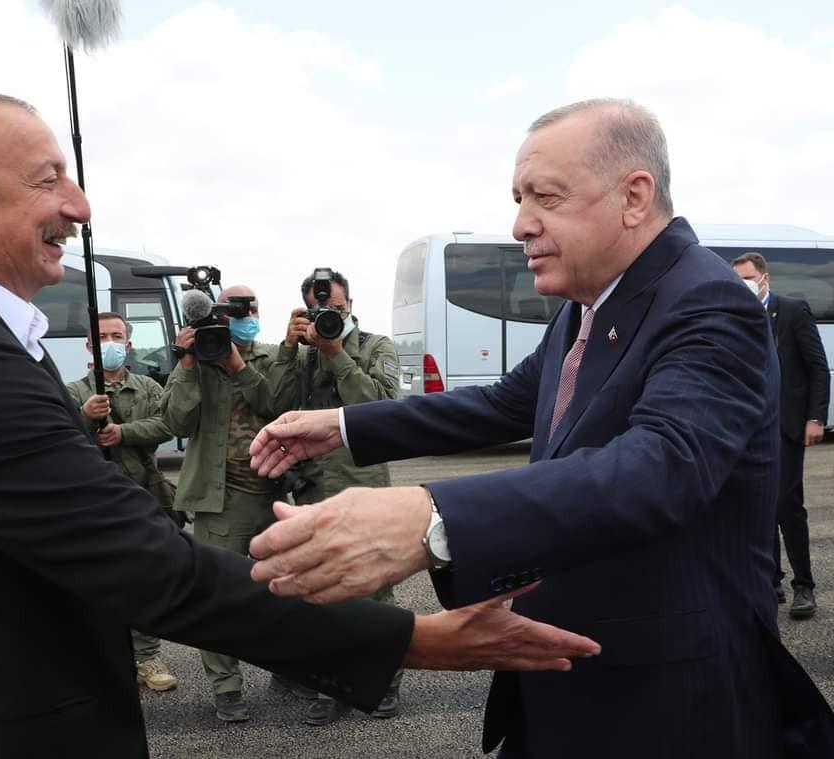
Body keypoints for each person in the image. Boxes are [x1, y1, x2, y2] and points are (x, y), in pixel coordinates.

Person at [0, 90, 598, 758]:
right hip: (1, 730)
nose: (79, 205)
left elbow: (491, 405)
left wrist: (338, 422)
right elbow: (151, 567)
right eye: (47, 179)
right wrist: (416, 639)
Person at [248, 98, 834, 758]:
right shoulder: (589, 304)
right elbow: (504, 403)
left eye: (545, 197)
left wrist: (431, 520)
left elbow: (662, 464)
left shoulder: (707, 299)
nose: (521, 224)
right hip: (568, 673)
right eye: (519, 198)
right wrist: (345, 424)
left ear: (634, 196)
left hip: (664, 697)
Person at [269, 269, 406, 725]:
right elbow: (275, 405)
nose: (328, 317)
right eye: (318, 311)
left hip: (362, 483)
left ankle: (384, 680)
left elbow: (380, 406)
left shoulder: (376, 346)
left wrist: (337, 353)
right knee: (319, 589)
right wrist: (289, 349)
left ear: (351, 307)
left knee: (374, 587)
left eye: (337, 309)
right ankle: (331, 684)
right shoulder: (302, 353)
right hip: (313, 487)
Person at [161, 284, 292, 722]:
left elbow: (278, 406)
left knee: (285, 592)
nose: (243, 315)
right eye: (233, 310)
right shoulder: (198, 360)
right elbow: (176, 422)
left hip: (272, 494)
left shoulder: (273, 357)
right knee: (216, 596)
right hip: (218, 499)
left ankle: (289, 668)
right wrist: (186, 364)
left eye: (249, 307)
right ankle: (226, 687)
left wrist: (237, 365)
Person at [66, 311, 180, 692]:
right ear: (89, 345)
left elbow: (168, 424)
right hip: (93, 500)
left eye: (117, 336)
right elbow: (58, 435)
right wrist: (85, 418)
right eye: (102, 337)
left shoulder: (147, 387)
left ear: (128, 345)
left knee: (144, 577)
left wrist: (123, 432)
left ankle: (147, 657)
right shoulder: (73, 392)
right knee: (96, 579)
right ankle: (102, 658)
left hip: (142, 494)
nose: (110, 343)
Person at [733, 252, 829, 619]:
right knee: (759, 505)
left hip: (785, 425)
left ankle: (804, 585)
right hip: (749, 427)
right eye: (737, 279)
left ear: (765, 278)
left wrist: (815, 417)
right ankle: (770, 582)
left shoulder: (791, 311)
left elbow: (818, 367)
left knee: (787, 504)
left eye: (748, 278)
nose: (743, 285)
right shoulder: (736, 316)